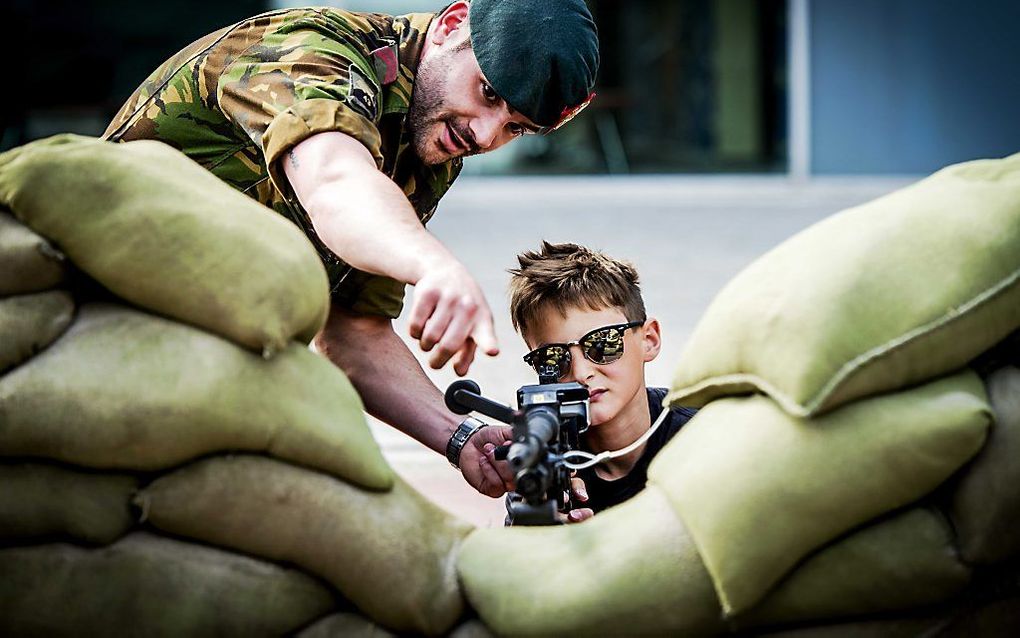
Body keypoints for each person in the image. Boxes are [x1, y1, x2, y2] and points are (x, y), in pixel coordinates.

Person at [101, 1, 599, 497]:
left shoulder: (429, 141)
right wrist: (433, 265)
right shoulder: (317, 49)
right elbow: (334, 180)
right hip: (89, 312)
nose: (485, 134)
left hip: (178, 363)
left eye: (516, 128)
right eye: (488, 93)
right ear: (451, 24)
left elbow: (353, 331)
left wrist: (459, 437)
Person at [505, 241, 697, 523]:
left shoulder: (702, 436)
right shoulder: (542, 461)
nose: (582, 373)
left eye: (602, 344)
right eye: (553, 358)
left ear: (649, 340)